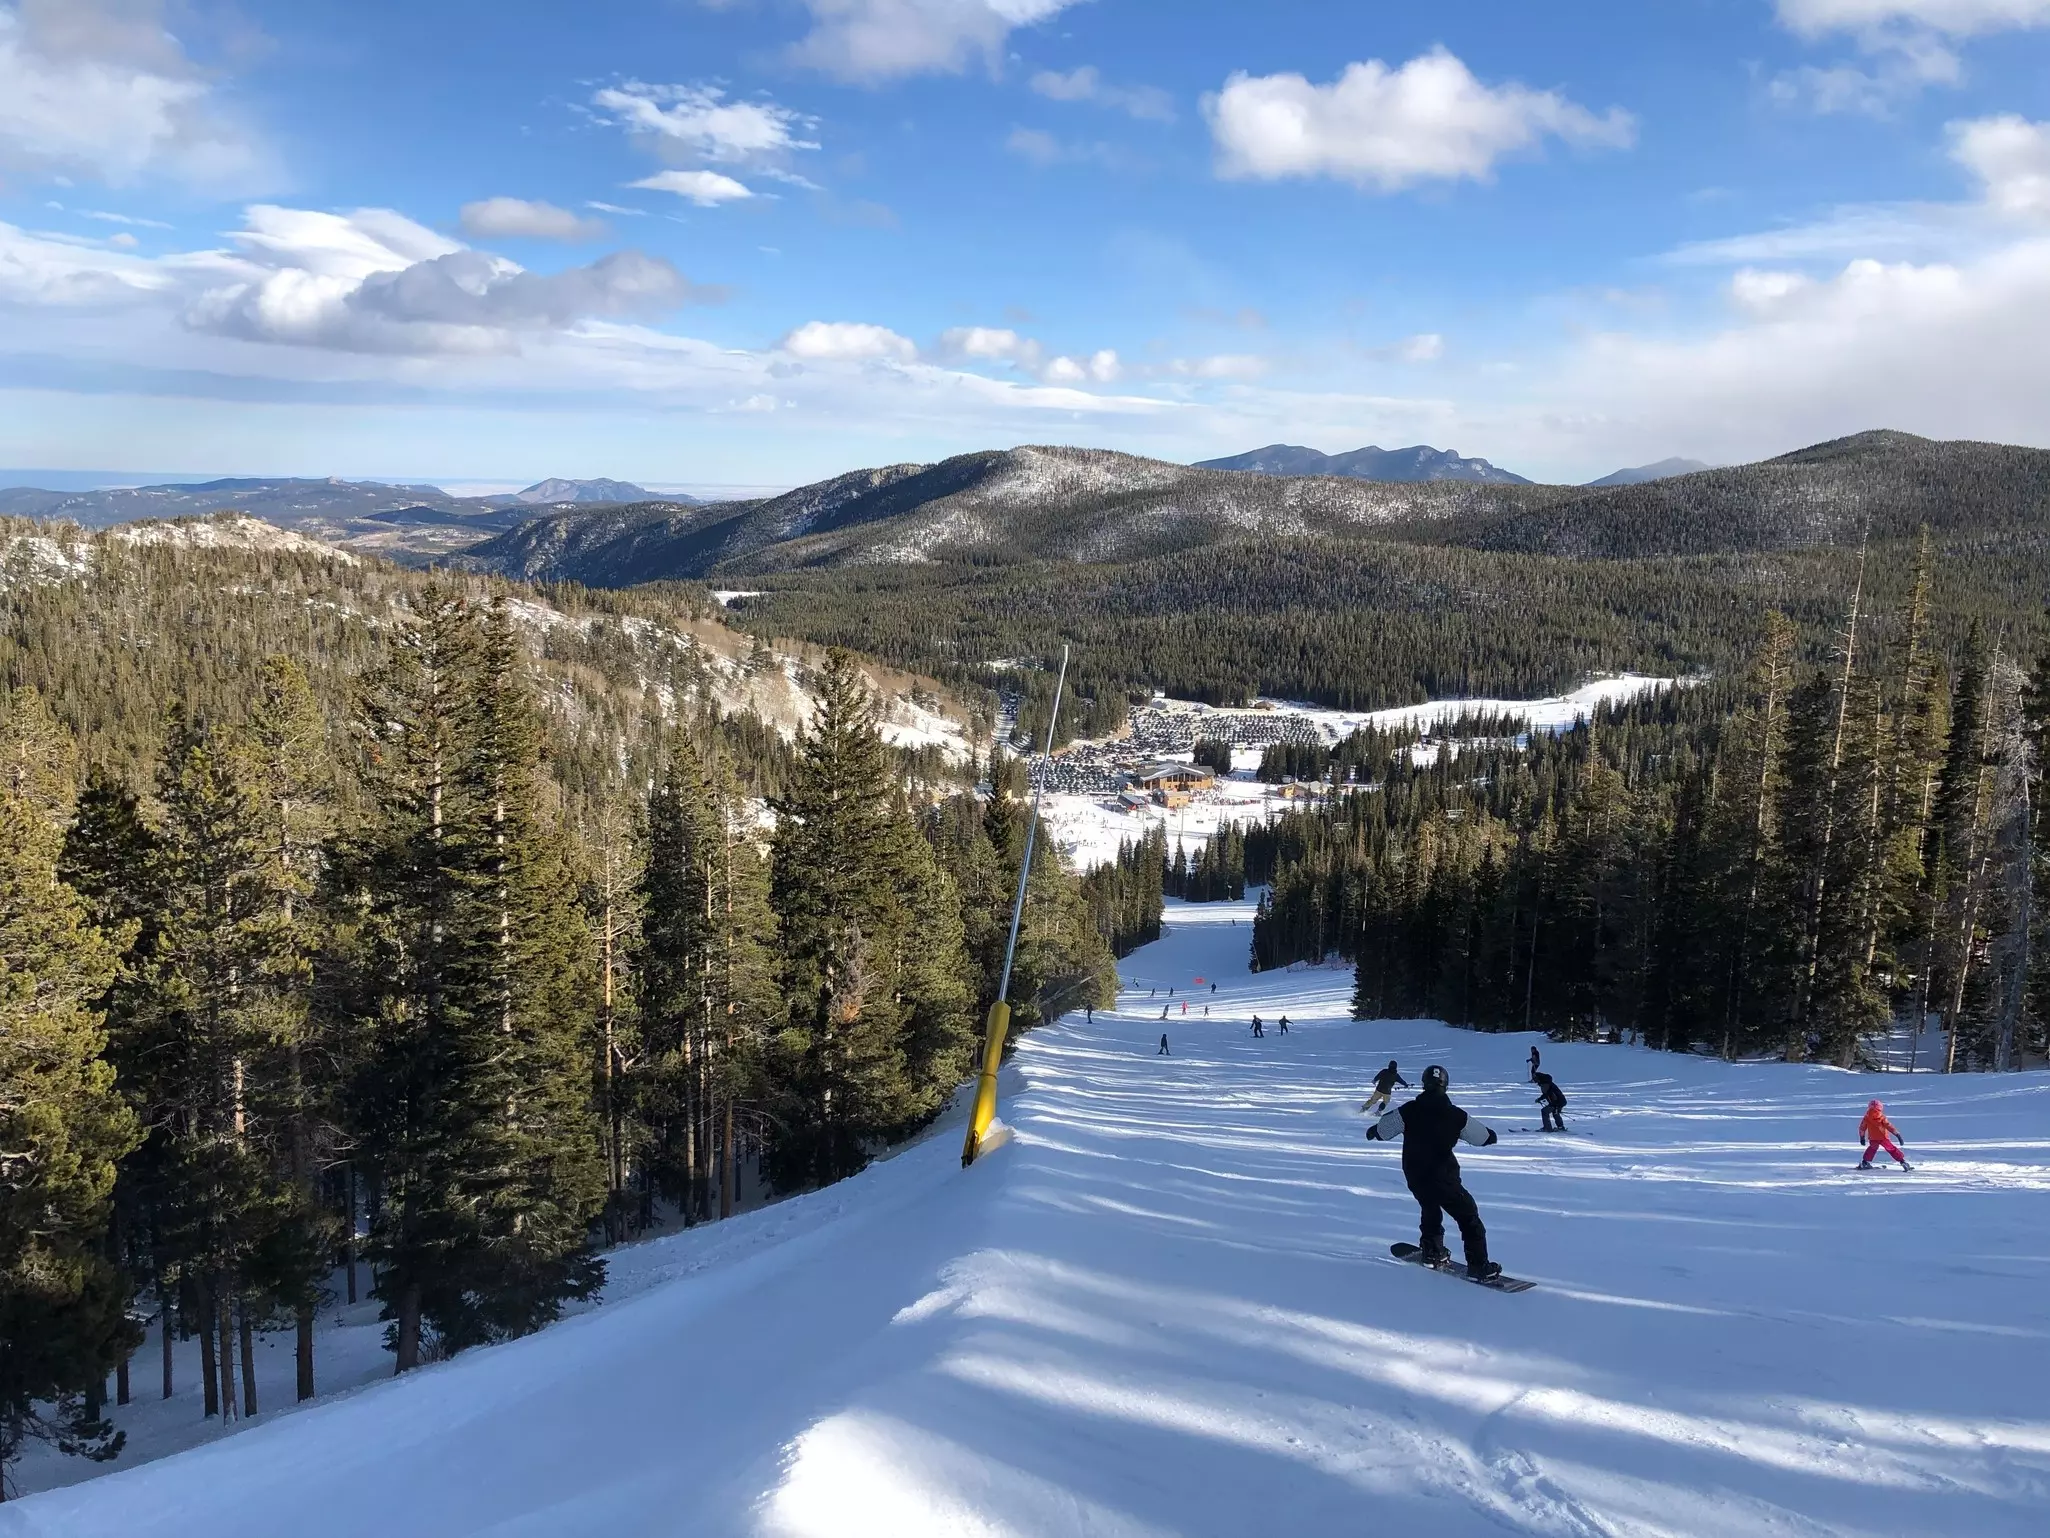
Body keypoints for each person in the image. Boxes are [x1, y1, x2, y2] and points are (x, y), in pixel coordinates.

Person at [1365, 1064, 1502, 1281]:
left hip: (1415, 1174)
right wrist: (1491, 1136)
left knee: (1429, 1206)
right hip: (1442, 1177)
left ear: (1424, 1084)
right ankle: (1478, 1266)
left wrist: (1373, 1131)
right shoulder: (1455, 1115)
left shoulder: (1409, 1110)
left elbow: (1383, 1131)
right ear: (1445, 1086)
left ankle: (1432, 1251)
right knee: (1468, 1216)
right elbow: (1483, 1137)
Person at [1858, 1099, 1911, 1170]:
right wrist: (1898, 1135)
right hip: (1883, 1138)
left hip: (1873, 1138)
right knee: (1891, 1149)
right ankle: (1902, 1161)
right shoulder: (1882, 1117)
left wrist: (1862, 1137)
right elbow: (1889, 1126)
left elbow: (1862, 1127)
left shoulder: (1867, 1117)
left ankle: (1865, 1162)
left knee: (1872, 1149)